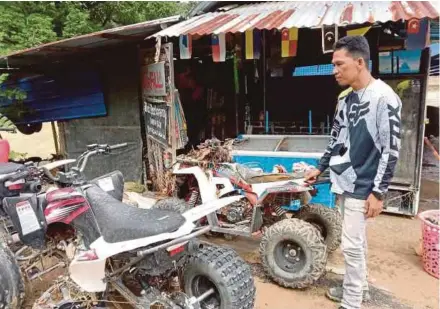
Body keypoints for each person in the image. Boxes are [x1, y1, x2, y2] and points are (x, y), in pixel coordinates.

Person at [305, 36, 402, 309]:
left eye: (339, 64)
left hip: (363, 185)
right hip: (342, 180)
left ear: (359, 63)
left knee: (350, 245)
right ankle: (358, 289)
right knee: (355, 242)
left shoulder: (385, 98)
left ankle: (351, 303)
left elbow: (391, 149)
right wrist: (320, 168)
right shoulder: (345, 98)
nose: (334, 71)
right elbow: (336, 138)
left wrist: (378, 192)